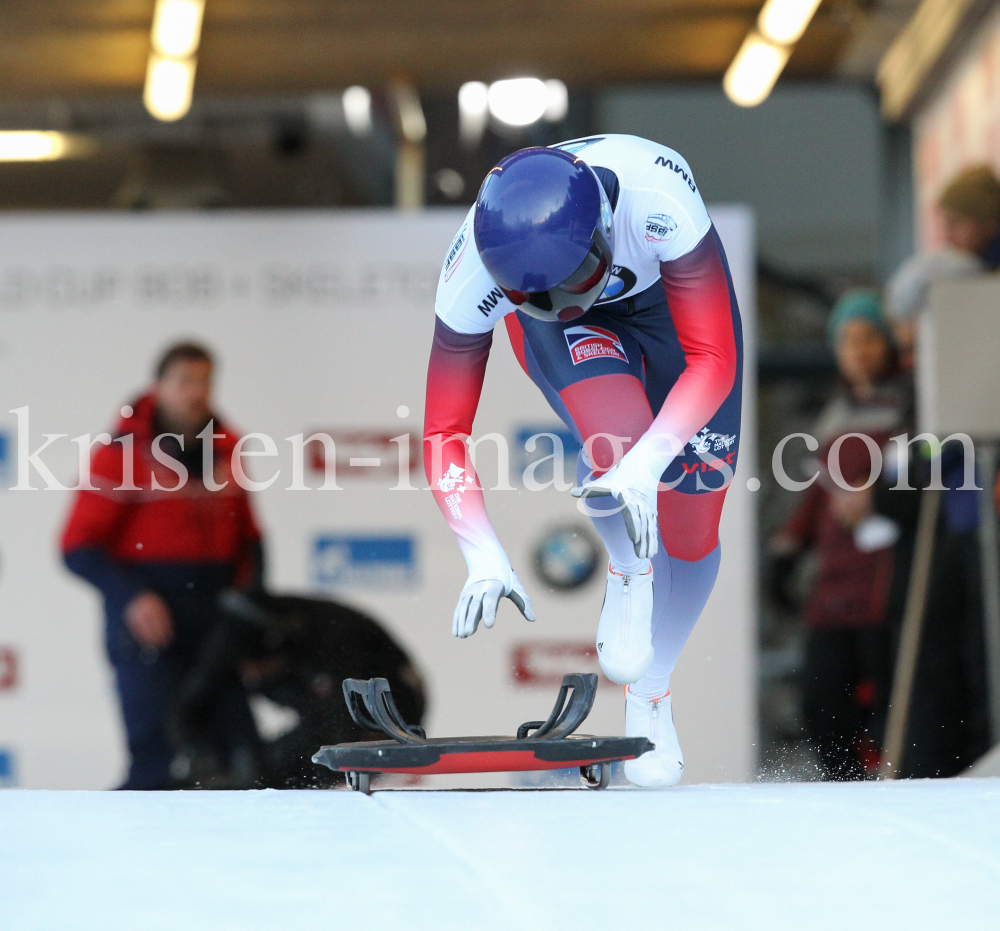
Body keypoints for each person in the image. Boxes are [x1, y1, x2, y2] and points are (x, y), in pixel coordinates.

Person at [423, 136, 742, 787]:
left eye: (572, 285)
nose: (562, 300)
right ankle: (628, 565)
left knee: (695, 499)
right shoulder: (471, 276)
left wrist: (650, 467)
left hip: (667, 300)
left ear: (603, 231)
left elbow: (715, 361)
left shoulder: (658, 199)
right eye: (534, 295)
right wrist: (480, 550)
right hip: (573, 342)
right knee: (617, 442)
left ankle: (651, 689)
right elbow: (443, 431)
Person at [62, 342, 264, 789]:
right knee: (157, 763)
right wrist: (132, 596)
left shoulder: (229, 449)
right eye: (184, 381)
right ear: (159, 386)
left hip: (215, 626)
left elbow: (250, 542)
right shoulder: (119, 453)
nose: (196, 392)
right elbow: (77, 547)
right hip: (148, 627)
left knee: (242, 763)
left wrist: (250, 618)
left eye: (205, 381)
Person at [768, 291, 911, 778]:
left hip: (887, 585)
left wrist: (882, 493)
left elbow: (933, 474)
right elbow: (812, 497)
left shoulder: (912, 406)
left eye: (869, 338)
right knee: (823, 707)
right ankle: (845, 797)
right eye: (848, 341)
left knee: (895, 710)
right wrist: (785, 551)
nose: (859, 351)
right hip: (833, 587)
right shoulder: (834, 417)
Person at [173, 588, 427, 788]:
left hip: (392, 699)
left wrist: (269, 769)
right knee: (254, 761)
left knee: (288, 762)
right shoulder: (229, 643)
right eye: (245, 669)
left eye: (259, 666)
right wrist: (199, 754)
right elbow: (187, 709)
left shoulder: (335, 640)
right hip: (320, 690)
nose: (251, 675)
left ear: (277, 646)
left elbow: (338, 728)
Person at [886, 164, 1000, 370]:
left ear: (989, 224)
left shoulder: (981, 274)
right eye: (945, 223)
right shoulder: (964, 270)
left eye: (956, 222)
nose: (947, 234)